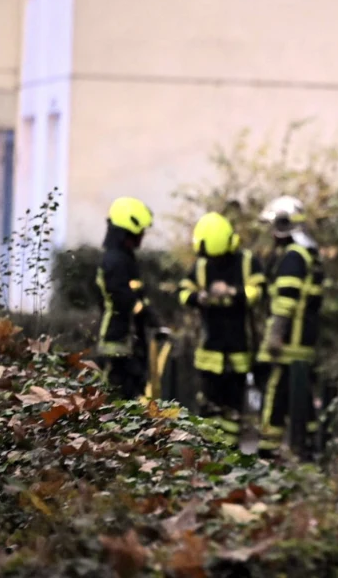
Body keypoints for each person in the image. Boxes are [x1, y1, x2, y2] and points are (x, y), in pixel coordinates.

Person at [178, 211, 265, 442]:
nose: (214, 263)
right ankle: (209, 450)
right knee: (208, 407)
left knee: (234, 408)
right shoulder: (202, 265)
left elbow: (259, 292)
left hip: (239, 349)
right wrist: (200, 298)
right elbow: (183, 292)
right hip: (208, 351)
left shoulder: (247, 262)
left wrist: (232, 292)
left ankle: (228, 453)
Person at [255, 196, 323, 458]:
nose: (271, 234)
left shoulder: (294, 257)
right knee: (301, 396)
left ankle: (267, 450)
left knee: (275, 394)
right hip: (302, 342)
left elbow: (285, 302)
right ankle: (307, 446)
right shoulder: (309, 254)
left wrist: (275, 336)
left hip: (288, 344)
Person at [96, 196, 159, 400]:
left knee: (132, 393)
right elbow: (123, 297)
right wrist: (146, 313)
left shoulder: (124, 258)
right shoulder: (115, 260)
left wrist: (150, 315)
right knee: (116, 395)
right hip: (117, 341)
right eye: (138, 232)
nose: (142, 236)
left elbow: (136, 295)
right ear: (126, 232)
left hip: (128, 340)